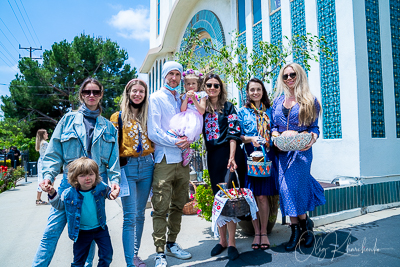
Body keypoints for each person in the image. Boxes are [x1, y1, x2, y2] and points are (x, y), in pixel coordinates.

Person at [32, 77, 120, 267]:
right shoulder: (68, 120)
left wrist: (115, 181)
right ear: (81, 95)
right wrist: (48, 177)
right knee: (51, 232)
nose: (91, 95)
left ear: (101, 95)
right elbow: (54, 152)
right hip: (68, 187)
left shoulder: (109, 127)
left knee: (89, 230)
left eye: (96, 92)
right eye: (87, 92)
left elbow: (114, 161)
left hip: (95, 186)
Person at [271, 63, 326, 251]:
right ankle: (302, 228)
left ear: (299, 75)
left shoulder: (310, 100)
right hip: (282, 153)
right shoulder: (278, 101)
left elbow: (314, 128)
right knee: (287, 190)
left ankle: (300, 232)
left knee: (292, 188)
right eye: (285, 76)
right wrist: (276, 135)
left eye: (292, 74)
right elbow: (273, 127)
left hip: (301, 152)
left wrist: (313, 138)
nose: (289, 78)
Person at [147, 61, 193, 267]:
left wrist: (190, 138)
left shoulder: (182, 98)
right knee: (160, 206)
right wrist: (176, 141)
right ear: (164, 75)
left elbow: (191, 122)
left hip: (183, 161)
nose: (174, 78)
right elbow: (153, 131)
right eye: (170, 74)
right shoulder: (155, 98)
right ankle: (159, 252)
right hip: (164, 158)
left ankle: (172, 244)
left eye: (177, 74)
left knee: (178, 204)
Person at [110, 79, 154, 267]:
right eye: (134, 91)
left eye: (141, 92)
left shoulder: (149, 115)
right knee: (129, 217)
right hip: (126, 167)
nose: (138, 94)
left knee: (140, 215)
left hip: (147, 166)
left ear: (145, 95)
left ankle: (135, 255)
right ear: (128, 94)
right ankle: (130, 262)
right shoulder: (116, 117)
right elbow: (112, 148)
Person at [203, 73, 246, 261]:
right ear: (204, 87)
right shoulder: (201, 108)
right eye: (209, 85)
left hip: (229, 156)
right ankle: (221, 241)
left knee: (230, 199)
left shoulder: (228, 107)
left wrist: (231, 158)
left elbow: (234, 133)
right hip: (212, 158)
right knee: (217, 198)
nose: (212, 88)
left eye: (216, 85)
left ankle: (232, 244)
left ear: (221, 88)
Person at [46, 157, 115, 267]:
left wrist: (112, 193)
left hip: (100, 229)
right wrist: (52, 193)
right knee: (79, 261)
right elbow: (59, 205)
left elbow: (108, 192)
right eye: (82, 175)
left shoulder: (100, 186)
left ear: (96, 175)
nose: (87, 178)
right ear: (75, 177)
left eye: (91, 174)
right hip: (81, 232)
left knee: (107, 254)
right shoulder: (69, 193)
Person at [237, 78, 279, 250]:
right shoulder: (242, 112)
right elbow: (238, 135)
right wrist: (250, 138)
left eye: (258, 89)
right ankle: (256, 233)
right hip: (250, 156)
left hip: (267, 155)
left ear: (263, 92)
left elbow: (276, 129)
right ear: (247, 92)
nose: (255, 92)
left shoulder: (270, 111)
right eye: (252, 90)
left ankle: (263, 232)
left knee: (263, 196)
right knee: (253, 196)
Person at [167, 69, 207, 166]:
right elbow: (183, 109)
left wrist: (194, 99)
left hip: (195, 118)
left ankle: (187, 151)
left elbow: (201, 110)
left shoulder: (202, 95)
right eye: (188, 84)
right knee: (173, 133)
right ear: (185, 86)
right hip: (184, 117)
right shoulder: (184, 95)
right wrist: (186, 99)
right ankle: (187, 150)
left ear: (198, 85)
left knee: (188, 137)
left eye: (193, 83)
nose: (191, 86)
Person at [35, 129, 49, 205]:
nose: (47, 134)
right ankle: (50, 197)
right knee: (47, 178)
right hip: (45, 162)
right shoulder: (45, 143)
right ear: (43, 135)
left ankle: (38, 199)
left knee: (41, 179)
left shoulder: (40, 143)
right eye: (46, 133)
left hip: (41, 161)